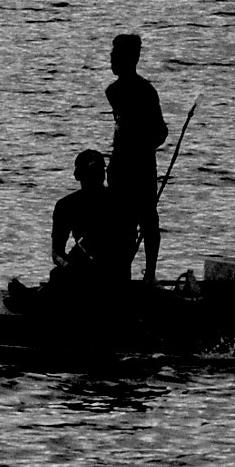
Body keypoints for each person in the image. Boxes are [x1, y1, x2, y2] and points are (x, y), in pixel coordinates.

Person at [105, 33, 166, 281]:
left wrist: (141, 147)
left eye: (115, 54)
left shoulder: (145, 91)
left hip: (140, 167)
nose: (111, 58)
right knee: (122, 225)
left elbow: (160, 131)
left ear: (131, 58)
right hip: (120, 167)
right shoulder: (113, 91)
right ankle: (123, 276)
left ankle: (149, 274)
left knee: (147, 220)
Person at [50, 149, 129, 291]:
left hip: (113, 275)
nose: (96, 178)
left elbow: (126, 245)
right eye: (90, 174)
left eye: (98, 173)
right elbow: (57, 252)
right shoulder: (66, 206)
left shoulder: (119, 203)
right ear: (78, 175)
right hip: (79, 272)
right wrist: (68, 266)